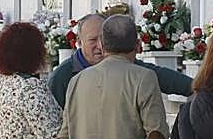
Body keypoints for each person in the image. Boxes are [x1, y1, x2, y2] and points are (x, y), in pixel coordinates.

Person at [49, 12, 192, 107]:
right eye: (93, 40)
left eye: (103, 38)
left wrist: (196, 86)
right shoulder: (62, 77)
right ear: (79, 42)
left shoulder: (122, 63)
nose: (100, 45)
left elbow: (158, 75)